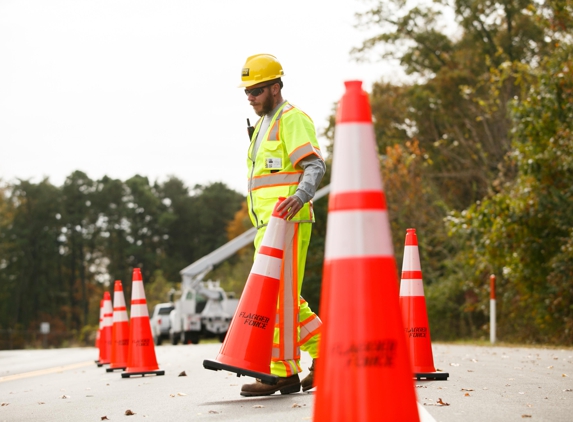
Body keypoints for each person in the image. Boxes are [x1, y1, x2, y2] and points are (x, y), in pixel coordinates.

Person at [238, 54, 325, 397]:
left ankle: (282, 371)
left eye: (257, 90)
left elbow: (314, 165)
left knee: (277, 297)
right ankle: (291, 368)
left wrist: (301, 196)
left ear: (275, 87)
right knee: (280, 297)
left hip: (288, 221)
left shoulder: (292, 119)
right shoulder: (262, 124)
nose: (250, 97)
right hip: (268, 227)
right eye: (247, 91)